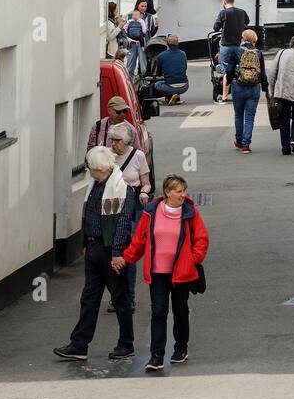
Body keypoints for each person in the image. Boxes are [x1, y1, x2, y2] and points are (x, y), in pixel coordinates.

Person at [53, 146, 137, 361]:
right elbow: (88, 216)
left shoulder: (123, 190)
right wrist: (84, 242)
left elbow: (123, 224)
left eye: (90, 167)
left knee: (120, 299)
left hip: (111, 251)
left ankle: (126, 345)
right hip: (93, 250)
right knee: (89, 299)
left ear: (99, 168)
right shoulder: (96, 185)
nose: (89, 171)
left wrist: (118, 253)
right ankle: (79, 345)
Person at [119, 174, 210, 372]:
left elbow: (202, 239)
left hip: (181, 273)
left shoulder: (190, 212)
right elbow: (140, 239)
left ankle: (180, 348)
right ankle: (157, 355)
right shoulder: (151, 211)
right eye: (179, 191)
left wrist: (192, 260)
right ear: (167, 192)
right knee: (158, 312)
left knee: (180, 311)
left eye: (184, 191)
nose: (183, 195)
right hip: (157, 272)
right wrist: (126, 258)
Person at [108, 121, 151, 306]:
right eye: (112, 140)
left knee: (129, 252)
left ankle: (130, 297)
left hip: (133, 207)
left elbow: (146, 182)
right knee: (112, 252)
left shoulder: (138, 155)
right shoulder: (107, 157)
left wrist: (143, 191)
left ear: (126, 141)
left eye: (117, 140)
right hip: (111, 207)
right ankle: (116, 296)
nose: (113, 144)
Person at [227, 28, 269, 152]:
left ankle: (239, 142)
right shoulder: (258, 53)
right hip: (254, 88)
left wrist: (229, 83)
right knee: (249, 117)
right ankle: (246, 144)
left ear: (243, 39)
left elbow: (229, 70)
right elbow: (263, 73)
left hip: (238, 86)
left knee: (239, 115)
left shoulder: (236, 51)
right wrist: (266, 89)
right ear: (254, 40)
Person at [213, 0, 250, 103]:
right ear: (233, 1)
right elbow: (247, 22)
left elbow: (215, 28)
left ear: (224, 1)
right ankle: (242, 95)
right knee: (240, 69)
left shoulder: (223, 13)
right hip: (239, 46)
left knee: (226, 71)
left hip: (226, 46)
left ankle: (224, 97)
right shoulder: (242, 12)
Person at [153, 34, 189, 104]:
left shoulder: (161, 56)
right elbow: (185, 68)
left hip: (170, 87)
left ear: (167, 44)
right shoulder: (183, 54)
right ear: (177, 44)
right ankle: (176, 97)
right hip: (185, 86)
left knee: (157, 84)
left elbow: (158, 73)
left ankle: (169, 97)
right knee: (174, 79)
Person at [124, 10, 147, 78]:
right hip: (132, 43)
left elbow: (144, 30)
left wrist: (143, 33)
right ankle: (129, 78)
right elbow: (125, 29)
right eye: (133, 15)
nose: (135, 16)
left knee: (142, 61)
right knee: (130, 61)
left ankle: (143, 77)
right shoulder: (129, 21)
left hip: (140, 41)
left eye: (136, 15)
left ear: (139, 15)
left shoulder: (141, 20)